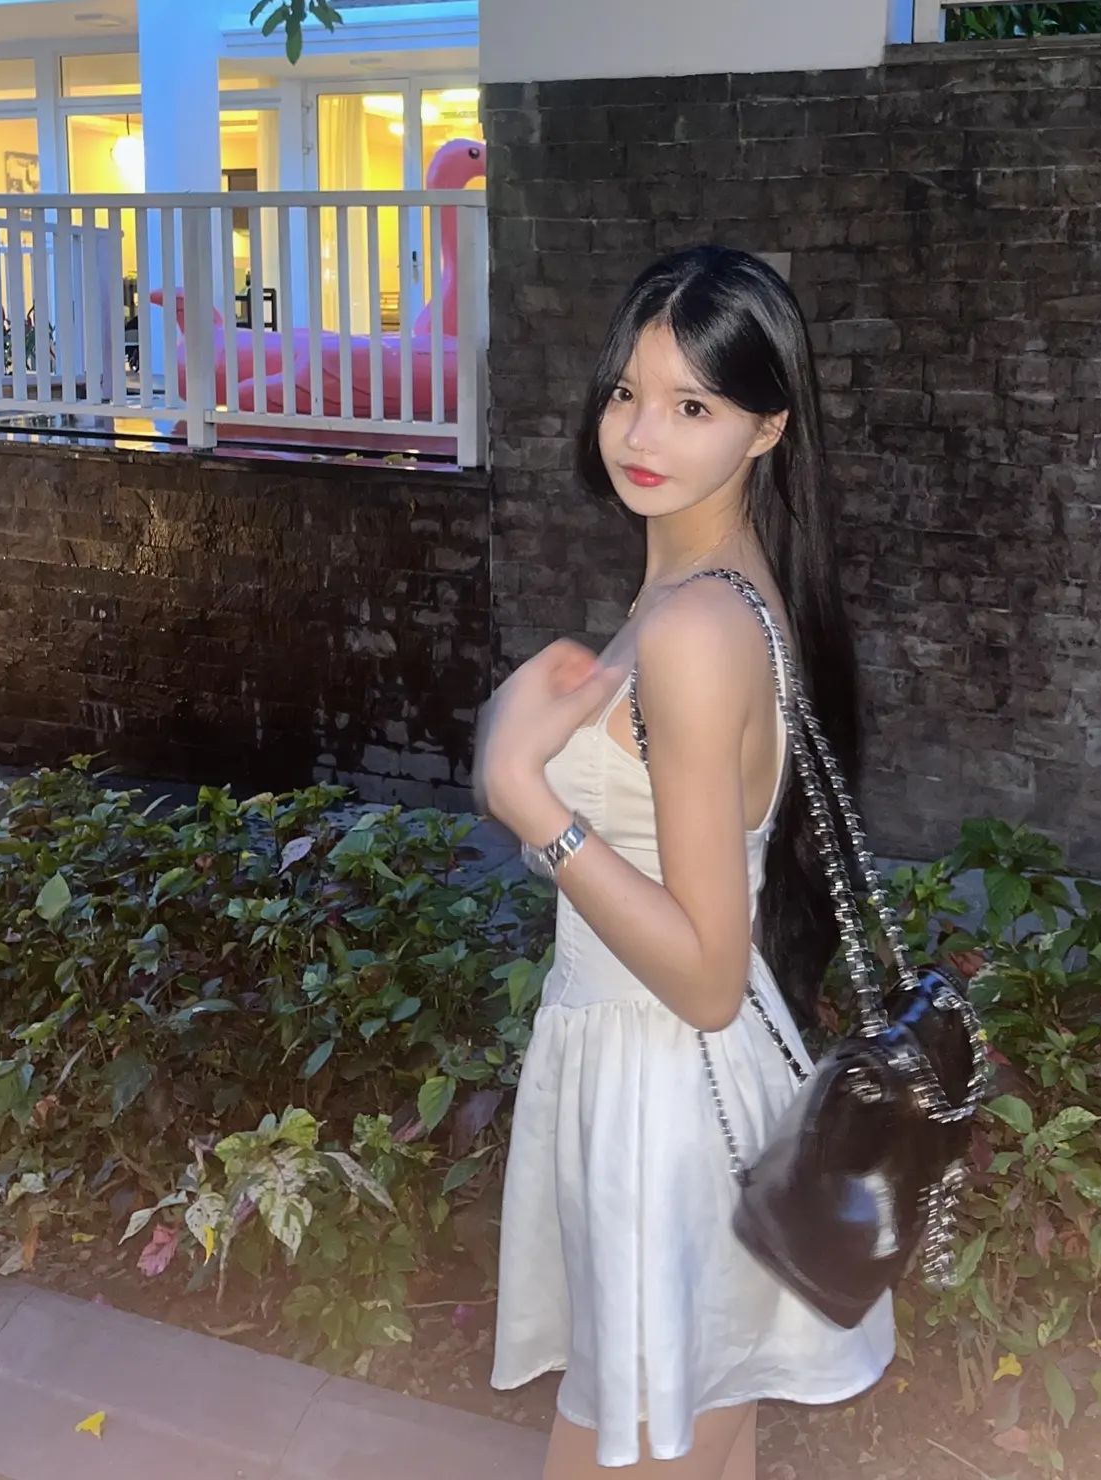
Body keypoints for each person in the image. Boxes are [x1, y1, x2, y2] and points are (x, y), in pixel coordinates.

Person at [477, 247, 894, 1477]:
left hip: (667, 1091)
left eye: (692, 405)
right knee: (702, 1446)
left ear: (768, 427)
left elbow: (708, 974)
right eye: (627, 391)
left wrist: (525, 798)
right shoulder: (707, 590)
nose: (640, 433)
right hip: (665, 1075)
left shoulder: (698, 625)